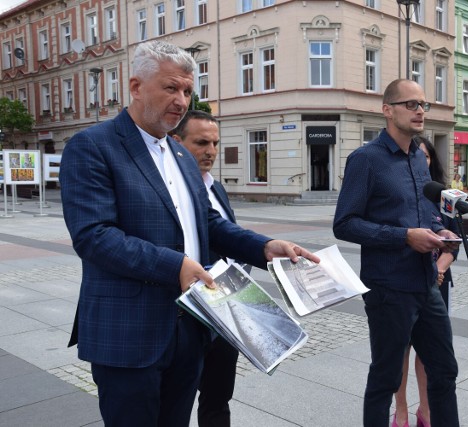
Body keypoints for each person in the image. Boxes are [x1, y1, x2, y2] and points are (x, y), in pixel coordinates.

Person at [59, 40, 319, 427]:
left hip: (191, 328)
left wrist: (264, 247)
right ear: (135, 87)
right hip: (130, 332)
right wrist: (175, 265)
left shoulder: (180, 154)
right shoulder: (92, 147)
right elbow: (94, 236)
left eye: (186, 90)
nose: (181, 100)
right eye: (170, 88)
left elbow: (208, 224)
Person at [333, 78, 460, 427]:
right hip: (389, 287)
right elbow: (344, 224)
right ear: (387, 110)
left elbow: (422, 213)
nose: (420, 111)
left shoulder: (419, 158)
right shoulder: (365, 159)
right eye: (411, 104)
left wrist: (439, 231)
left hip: (426, 283)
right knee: (386, 377)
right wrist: (404, 237)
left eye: (423, 105)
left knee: (445, 370)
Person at [170, 110, 238, 427]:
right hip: (186, 315)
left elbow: (228, 238)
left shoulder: (216, 188)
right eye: (201, 142)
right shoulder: (169, 191)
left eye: (214, 143)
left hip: (224, 310)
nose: (210, 151)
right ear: (176, 143)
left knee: (218, 398)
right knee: (175, 403)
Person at [392, 136, 459, 427]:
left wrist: (440, 270)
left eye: (427, 156)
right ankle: (402, 409)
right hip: (403, 279)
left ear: (432, 160)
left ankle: (427, 410)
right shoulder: (396, 193)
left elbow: (453, 242)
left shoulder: (444, 197)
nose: (421, 160)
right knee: (402, 347)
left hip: (436, 281)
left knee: (431, 350)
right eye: (416, 155)